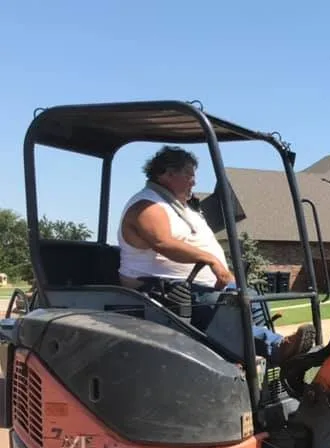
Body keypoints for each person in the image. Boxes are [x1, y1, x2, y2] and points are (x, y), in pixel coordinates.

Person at [117, 145, 314, 366]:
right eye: (188, 175)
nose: (194, 181)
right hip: (158, 290)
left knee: (248, 296)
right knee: (222, 306)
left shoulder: (180, 208)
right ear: (167, 174)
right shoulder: (147, 206)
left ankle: (265, 357)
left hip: (192, 285)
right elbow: (164, 243)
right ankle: (275, 348)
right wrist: (211, 261)